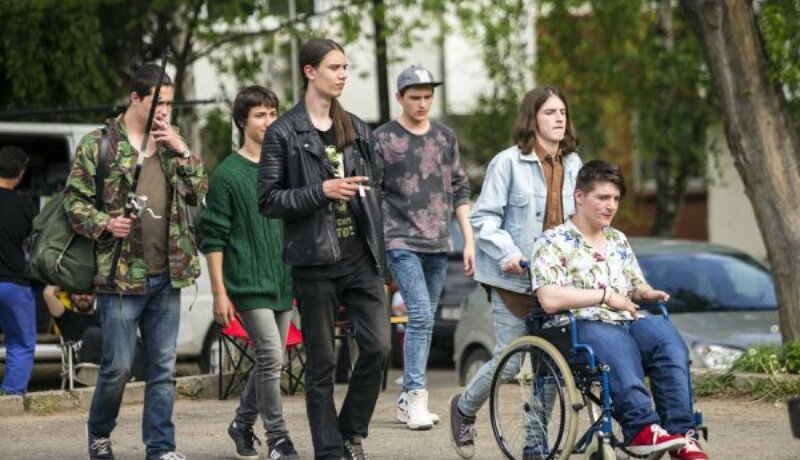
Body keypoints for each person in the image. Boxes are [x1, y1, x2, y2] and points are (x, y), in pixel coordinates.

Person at [64, 63, 207, 460]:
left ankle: (160, 447)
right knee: (119, 367)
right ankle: (99, 432)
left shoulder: (170, 143)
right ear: (135, 98)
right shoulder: (99, 144)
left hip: (168, 273)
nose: (164, 111)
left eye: (170, 104)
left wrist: (182, 149)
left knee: (163, 367)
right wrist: (106, 223)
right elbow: (73, 202)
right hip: (121, 276)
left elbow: (198, 191)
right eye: (157, 103)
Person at [258, 38, 390, 460]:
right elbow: (268, 200)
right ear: (310, 72)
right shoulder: (283, 132)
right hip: (314, 261)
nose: (343, 75)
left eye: (345, 67)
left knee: (379, 347)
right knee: (321, 366)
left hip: (361, 257)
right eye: (335, 67)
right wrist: (321, 191)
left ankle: (350, 431)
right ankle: (330, 451)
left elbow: (377, 187)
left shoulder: (358, 129)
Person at [530, 160, 707, 460]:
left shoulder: (617, 239)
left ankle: (680, 434)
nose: (611, 205)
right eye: (602, 197)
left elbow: (633, 287)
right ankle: (641, 429)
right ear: (579, 196)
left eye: (615, 198)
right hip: (577, 327)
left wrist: (645, 292)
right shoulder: (552, 241)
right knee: (615, 341)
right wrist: (604, 296)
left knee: (664, 334)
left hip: (624, 321)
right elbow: (549, 299)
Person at [449, 86, 582, 459]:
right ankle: (464, 408)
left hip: (556, 283)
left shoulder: (574, 164)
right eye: (550, 112)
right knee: (509, 364)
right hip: (513, 280)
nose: (559, 118)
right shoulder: (507, 163)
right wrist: (508, 253)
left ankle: (534, 445)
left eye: (562, 112)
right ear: (532, 119)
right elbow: (484, 218)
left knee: (550, 366)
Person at [199, 85, 298, 460]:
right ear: (243, 121)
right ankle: (278, 438)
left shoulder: (285, 169)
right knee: (271, 355)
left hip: (283, 279)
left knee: (272, 359)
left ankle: (241, 424)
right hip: (246, 282)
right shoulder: (227, 175)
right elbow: (213, 237)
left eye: (273, 114)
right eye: (260, 115)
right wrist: (220, 293)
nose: (269, 121)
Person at [373, 64, 474, 431]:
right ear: (399, 98)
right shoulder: (383, 138)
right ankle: (416, 395)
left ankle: (408, 399)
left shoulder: (445, 137)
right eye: (414, 97)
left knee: (425, 319)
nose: (422, 103)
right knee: (420, 315)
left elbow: (460, 188)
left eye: (428, 97)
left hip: (439, 241)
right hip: (399, 239)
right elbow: (372, 193)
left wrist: (469, 240)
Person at [0, 145, 36, 396]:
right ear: (21, 173)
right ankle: (11, 399)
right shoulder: (26, 208)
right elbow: (35, 248)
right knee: (21, 344)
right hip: (14, 283)